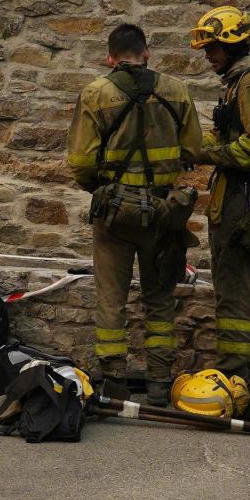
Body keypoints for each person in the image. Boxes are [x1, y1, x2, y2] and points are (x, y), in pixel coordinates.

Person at [66, 24, 201, 406]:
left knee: (112, 299)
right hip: (163, 212)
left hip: (114, 214)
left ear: (110, 57)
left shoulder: (96, 93)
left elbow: (80, 162)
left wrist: (104, 189)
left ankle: (114, 382)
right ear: (147, 53)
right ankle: (159, 383)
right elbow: (192, 148)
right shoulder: (176, 90)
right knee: (160, 299)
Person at [189, 6, 250, 380]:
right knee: (226, 285)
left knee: (235, 287)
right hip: (231, 196)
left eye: (213, 48)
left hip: (242, 200)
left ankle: (232, 373)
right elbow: (227, 137)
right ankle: (230, 368)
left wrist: (205, 154)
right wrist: (191, 145)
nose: (209, 57)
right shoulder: (235, 82)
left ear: (233, 44)